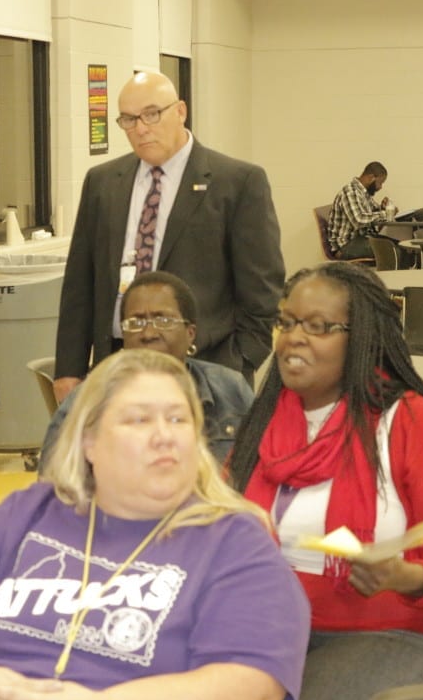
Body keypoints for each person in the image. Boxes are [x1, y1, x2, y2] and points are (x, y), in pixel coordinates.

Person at [0, 349, 311, 700]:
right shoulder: (27, 512)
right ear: (89, 441)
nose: (164, 434)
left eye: (178, 419)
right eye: (139, 419)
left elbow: (252, 691)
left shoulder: (236, 542)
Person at [227, 261, 423, 700]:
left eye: (319, 327)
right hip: (272, 626)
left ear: (362, 337)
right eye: (288, 322)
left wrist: (407, 575)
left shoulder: (415, 424)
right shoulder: (265, 422)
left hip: (402, 632)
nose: (294, 338)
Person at [54, 70, 284, 402]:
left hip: (206, 370)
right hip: (118, 367)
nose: (141, 128)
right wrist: (69, 369)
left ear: (180, 111)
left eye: (151, 114)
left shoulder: (236, 182)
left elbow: (263, 290)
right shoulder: (103, 183)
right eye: (129, 120)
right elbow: (79, 285)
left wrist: (238, 362)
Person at [41, 271, 253, 467]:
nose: (148, 333)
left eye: (163, 320)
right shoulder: (86, 402)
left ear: (190, 333)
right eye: (136, 323)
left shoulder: (230, 390)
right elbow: (54, 485)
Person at [327, 161, 394, 261]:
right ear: (371, 177)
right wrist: (385, 214)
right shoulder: (350, 192)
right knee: (391, 250)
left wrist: (383, 208)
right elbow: (359, 220)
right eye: (380, 182)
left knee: (397, 245)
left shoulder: (364, 194)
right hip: (346, 245)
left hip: (360, 240)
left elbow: (373, 212)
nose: (380, 187)